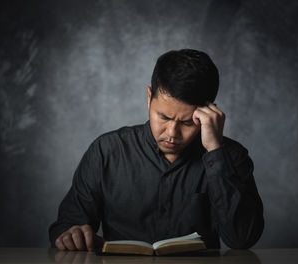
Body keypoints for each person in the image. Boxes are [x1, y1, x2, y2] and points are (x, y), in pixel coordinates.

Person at [49, 49, 264, 251]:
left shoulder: (231, 156)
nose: (172, 133)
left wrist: (215, 151)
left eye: (188, 123)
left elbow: (242, 239)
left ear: (209, 113)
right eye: (163, 116)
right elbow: (66, 226)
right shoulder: (107, 151)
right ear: (148, 97)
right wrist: (72, 234)